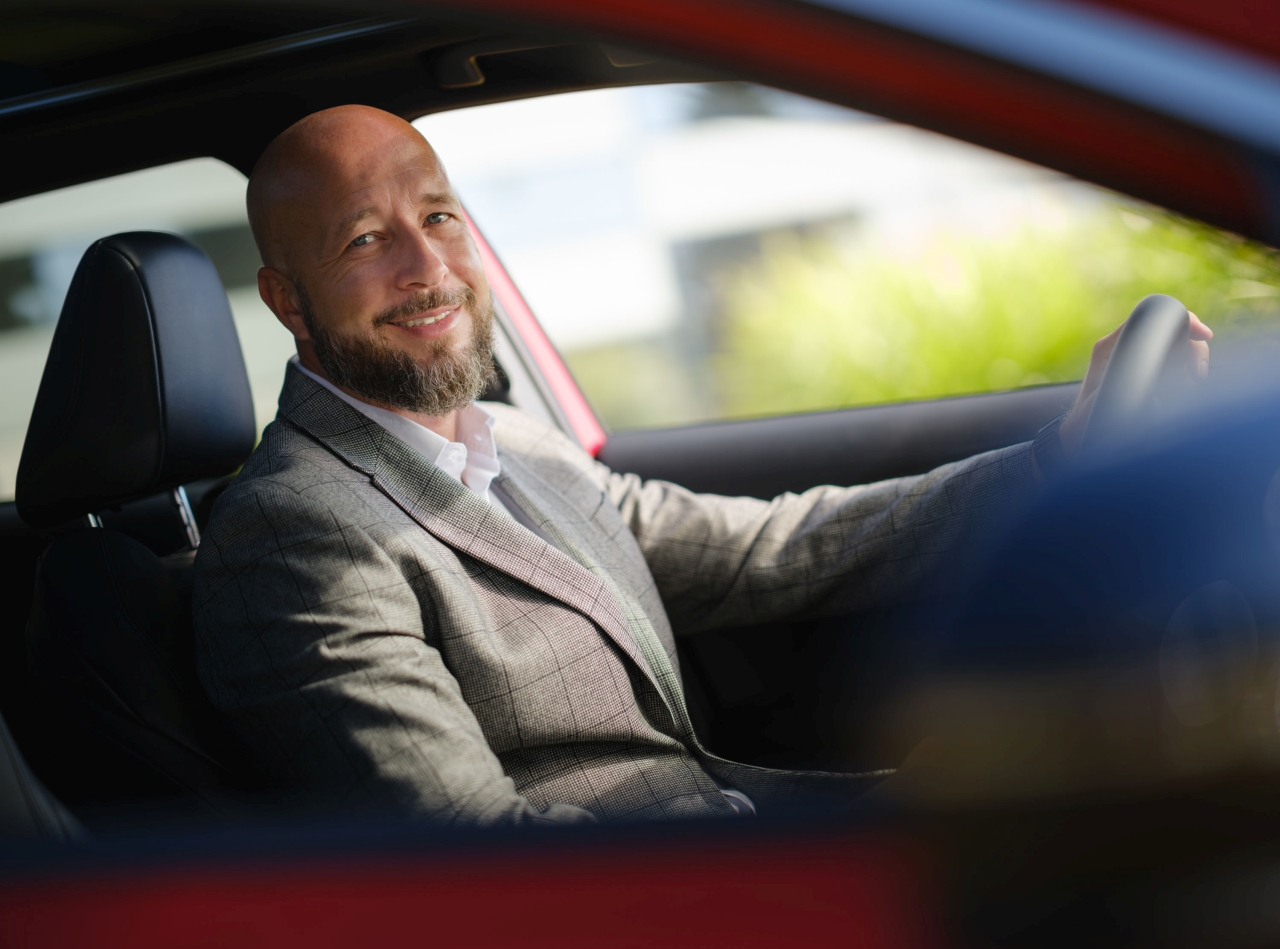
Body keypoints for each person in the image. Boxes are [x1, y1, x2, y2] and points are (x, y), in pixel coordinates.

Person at [192, 105, 1212, 826]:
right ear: (287, 302)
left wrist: (1058, 463)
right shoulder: (292, 535)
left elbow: (773, 549)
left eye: (439, 217)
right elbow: (481, 864)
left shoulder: (515, 443)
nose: (427, 269)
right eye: (364, 241)